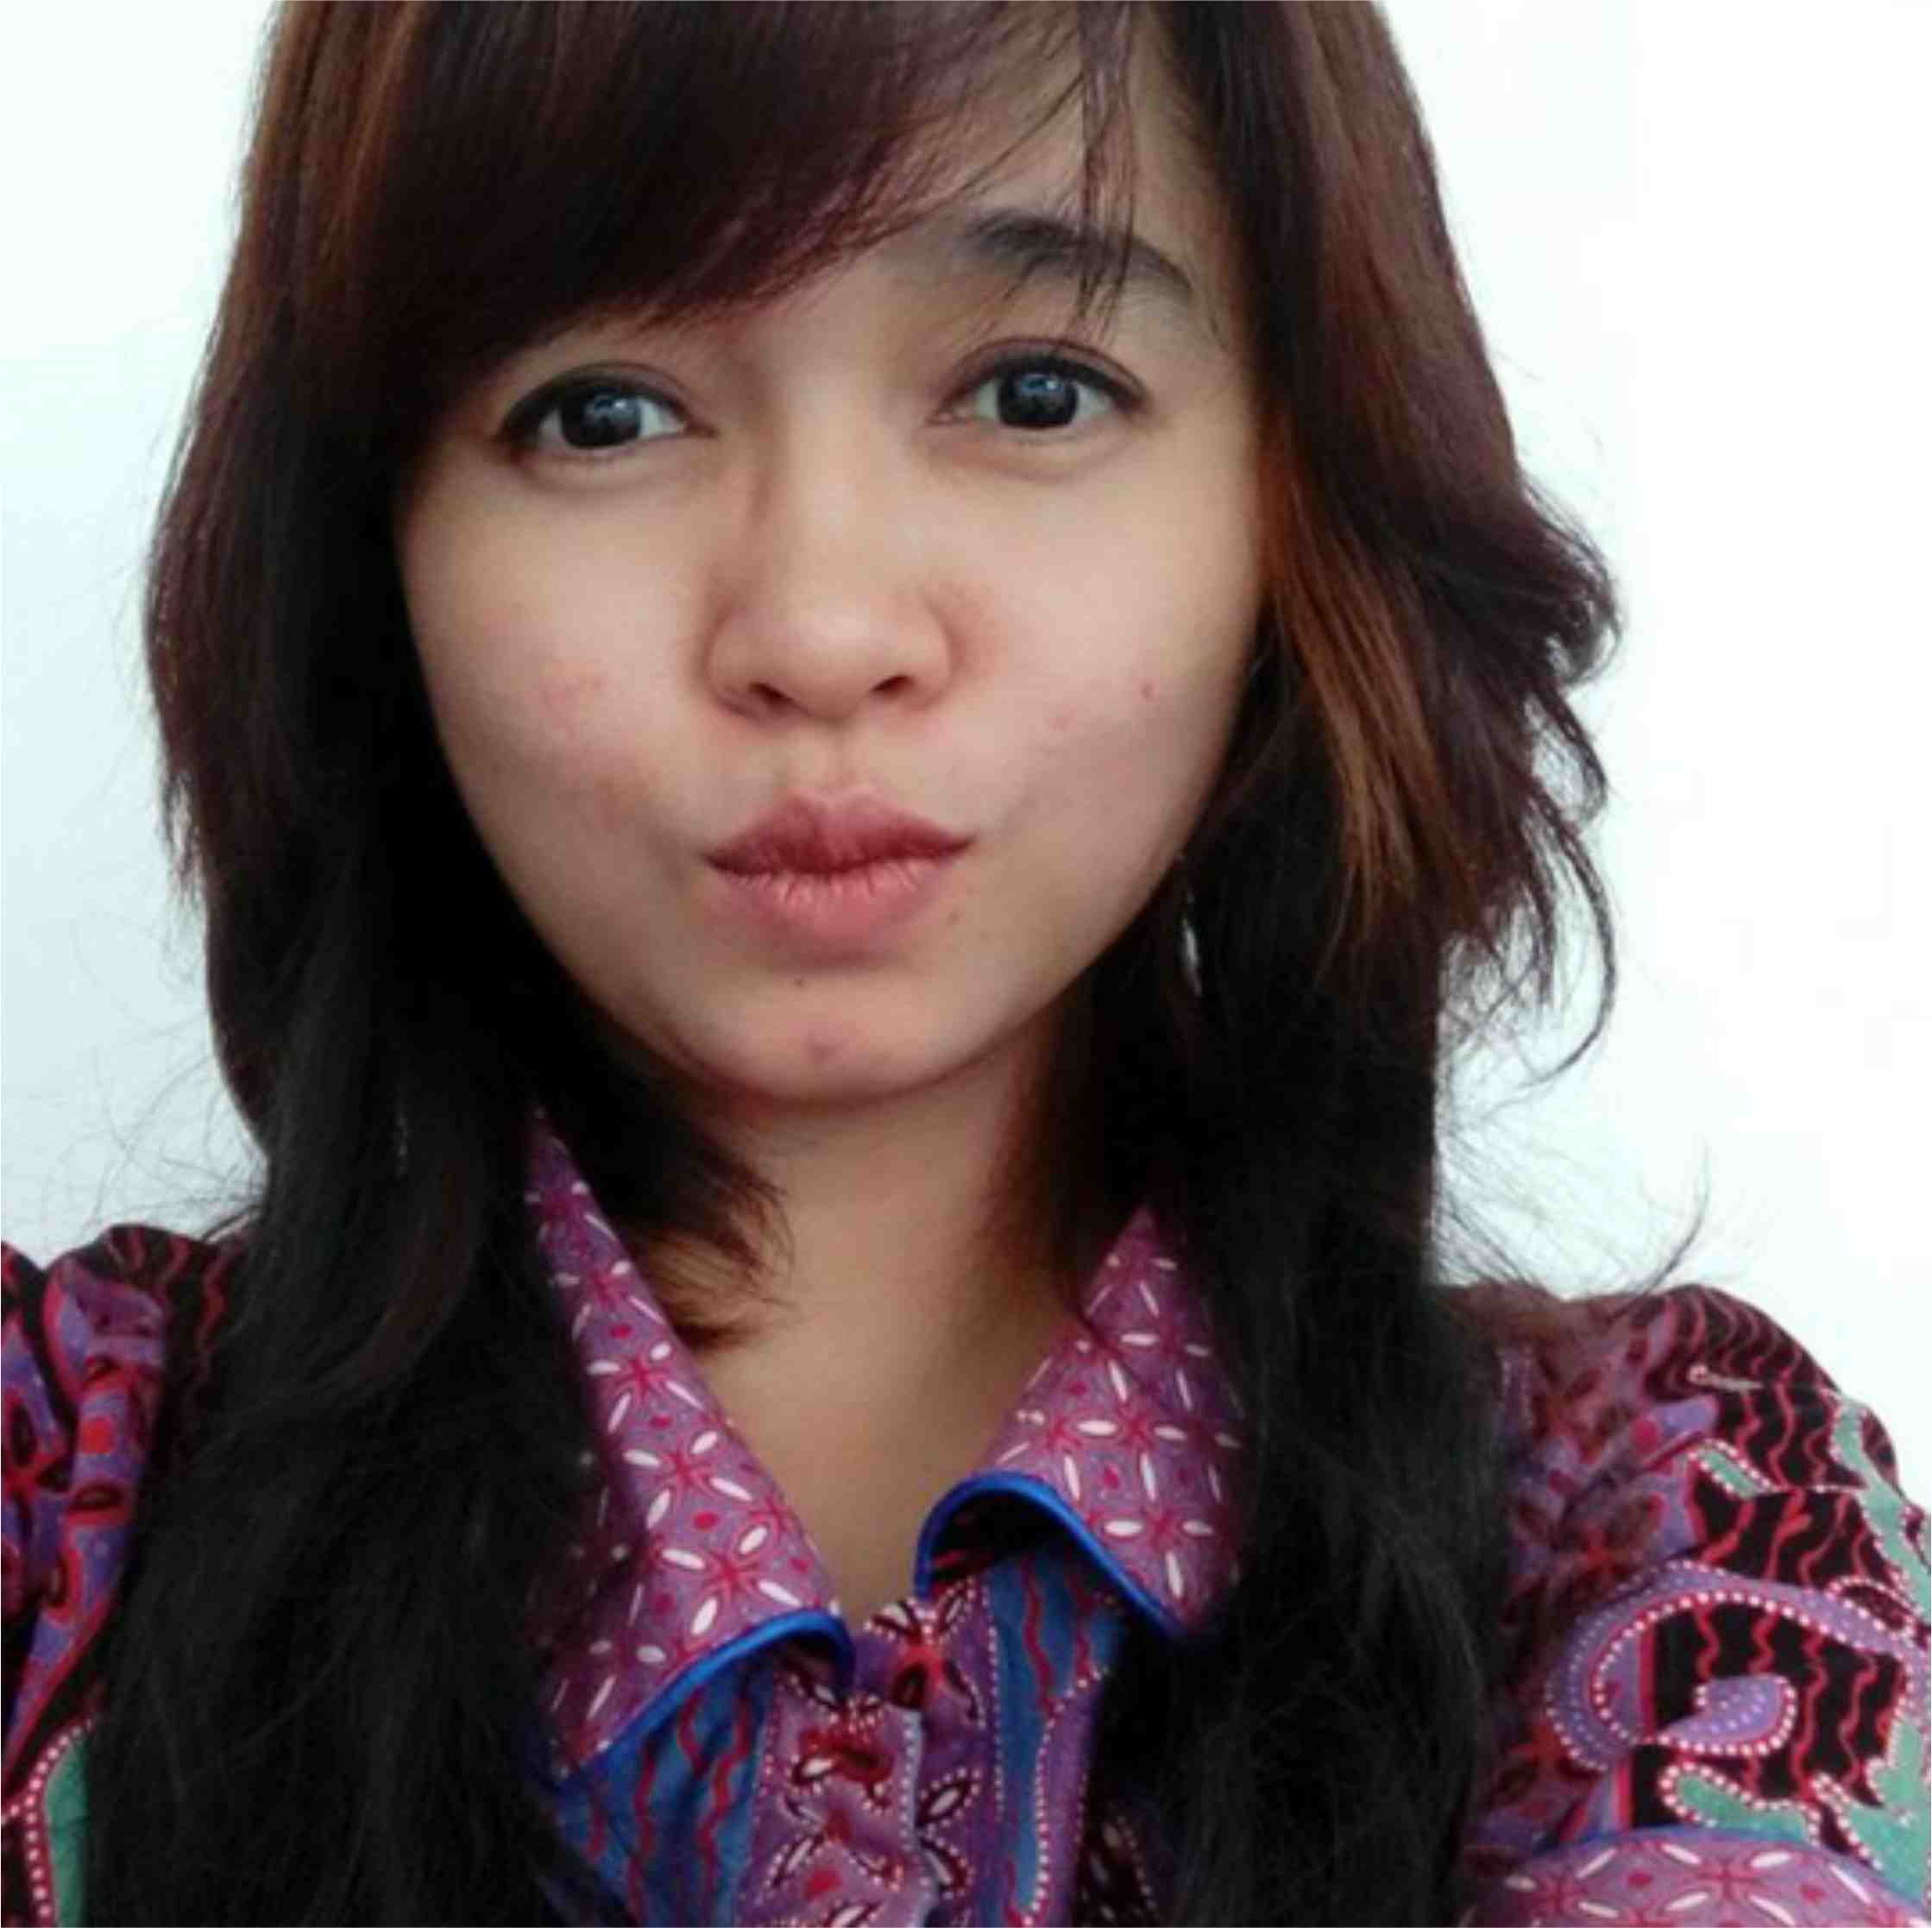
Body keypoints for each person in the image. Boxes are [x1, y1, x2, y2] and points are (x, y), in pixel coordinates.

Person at [2, 3, 1925, 1923]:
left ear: (1295, 491)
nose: (821, 628)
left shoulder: (1679, 1527)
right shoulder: (49, 1503)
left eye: (1033, 391)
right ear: (373, 550)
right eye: (601, 413)